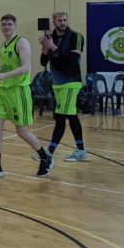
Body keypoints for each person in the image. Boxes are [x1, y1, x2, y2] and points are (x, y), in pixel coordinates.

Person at [0, 14, 53, 179]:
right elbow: (5, 70)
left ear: (15, 26)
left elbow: (25, 68)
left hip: (18, 91)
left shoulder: (21, 42)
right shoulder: (3, 45)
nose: (6, 27)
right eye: (3, 24)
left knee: (21, 131)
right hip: (3, 92)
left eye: (9, 24)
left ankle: (45, 157)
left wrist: (3, 76)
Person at [39, 12, 88, 162]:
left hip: (71, 81)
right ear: (54, 22)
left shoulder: (76, 36)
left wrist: (53, 47)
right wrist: (45, 49)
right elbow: (43, 62)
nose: (63, 22)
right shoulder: (50, 38)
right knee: (71, 116)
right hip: (58, 83)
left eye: (65, 20)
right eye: (59, 20)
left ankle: (49, 153)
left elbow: (73, 60)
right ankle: (81, 151)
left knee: (60, 116)